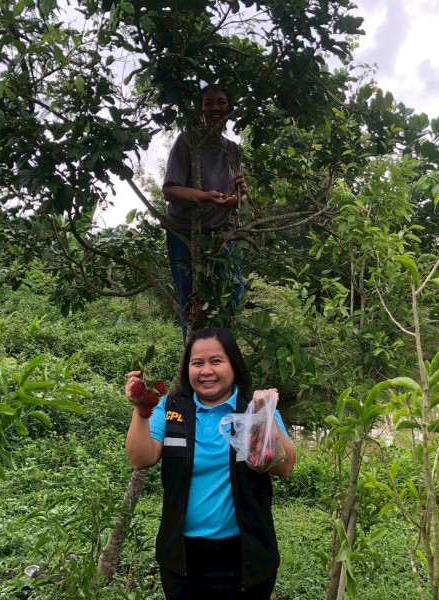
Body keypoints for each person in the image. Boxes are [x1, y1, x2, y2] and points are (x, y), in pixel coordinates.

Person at [125, 327, 296, 600]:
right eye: (197, 363)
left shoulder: (253, 406)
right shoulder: (171, 408)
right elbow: (140, 459)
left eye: (216, 361)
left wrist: (264, 416)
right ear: (187, 369)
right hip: (182, 558)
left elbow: (284, 467)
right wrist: (139, 407)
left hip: (246, 557)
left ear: (234, 365)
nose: (206, 371)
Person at [162, 83, 248, 341]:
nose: (215, 108)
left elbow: (239, 197)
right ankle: (194, 358)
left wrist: (236, 197)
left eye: (221, 102)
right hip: (185, 235)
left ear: (230, 109)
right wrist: (204, 197)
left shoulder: (232, 149)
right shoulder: (187, 140)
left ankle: (225, 357)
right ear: (200, 110)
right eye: (208, 103)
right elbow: (170, 190)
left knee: (233, 299)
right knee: (193, 308)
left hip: (222, 235)